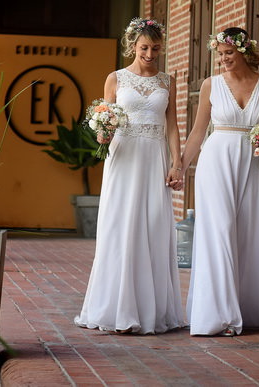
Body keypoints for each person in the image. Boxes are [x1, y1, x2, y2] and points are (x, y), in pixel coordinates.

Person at [170, 27, 259, 336]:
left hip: (252, 165)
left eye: (229, 53)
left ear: (244, 52)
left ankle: (253, 309)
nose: (223, 59)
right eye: (220, 54)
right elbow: (198, 132)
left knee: (252, 232)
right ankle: (221, 315)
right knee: (220, 232)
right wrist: (180, 166)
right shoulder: (211, 85)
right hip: (216, 161)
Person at [75, 17, 186, 334]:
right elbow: (104, 116)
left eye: (155, 48)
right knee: (121, 226)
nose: (150, 54)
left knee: (152, 224)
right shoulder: (116, 78)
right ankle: (116, 307)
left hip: (154, 158)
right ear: (133, 46)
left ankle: (151, 310)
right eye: (144, 48)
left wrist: (177, 163)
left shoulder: (168, 82)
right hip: (123, 157)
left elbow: (173, 125)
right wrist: (102, 132)